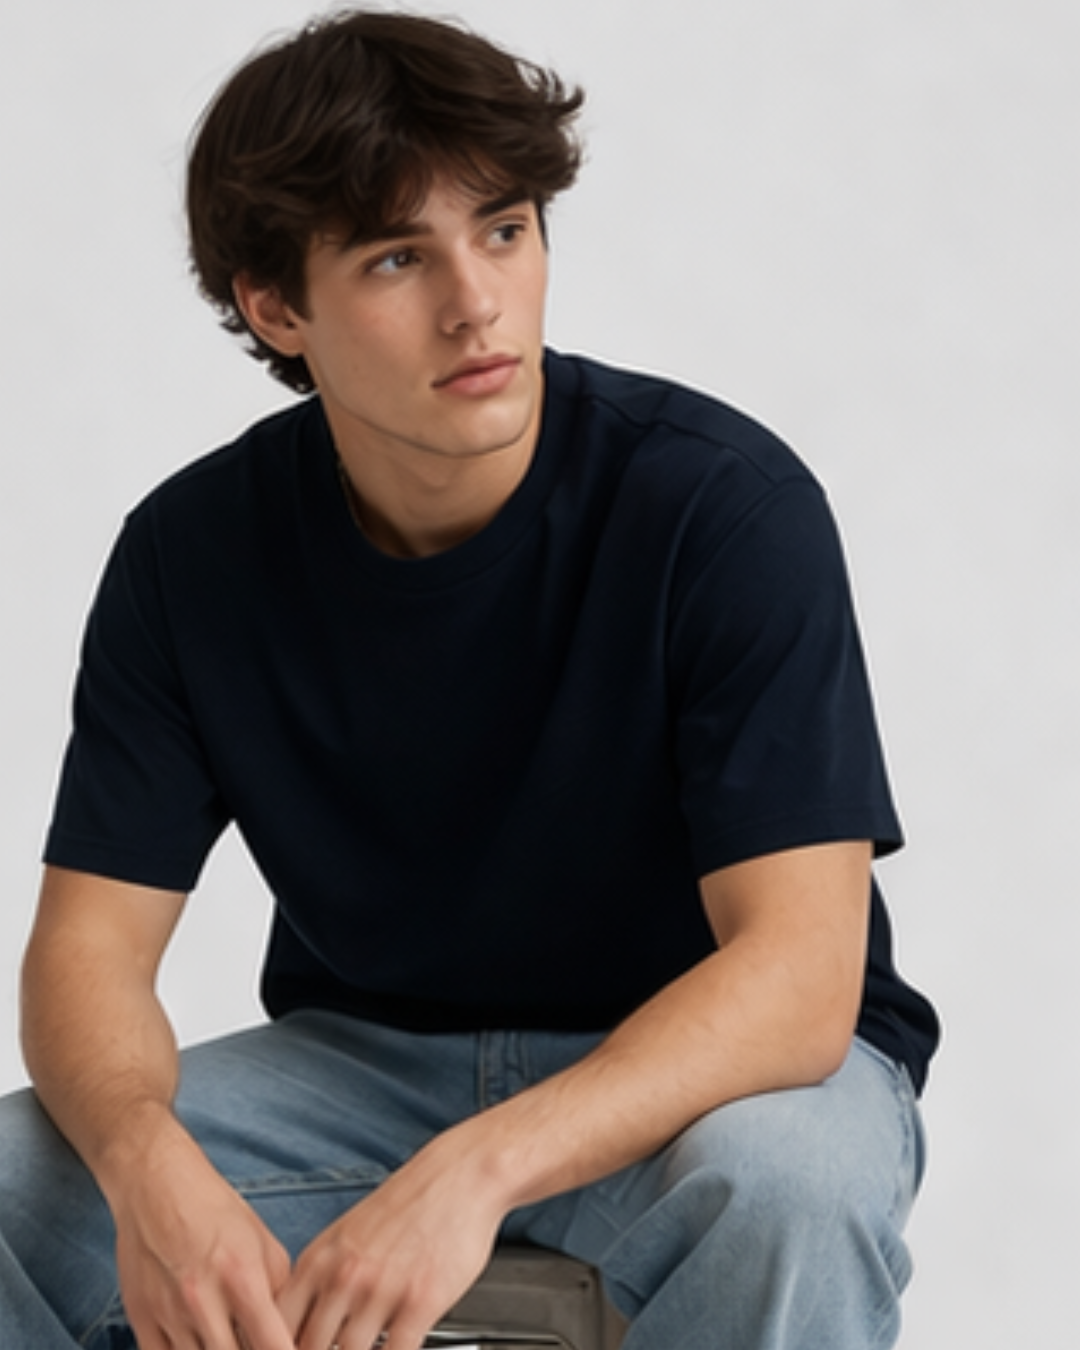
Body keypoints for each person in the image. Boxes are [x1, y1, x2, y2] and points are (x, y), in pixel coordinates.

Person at [0, 10, 939, 1350]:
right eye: (398, 257)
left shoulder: (720, 510)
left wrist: (473, 1168)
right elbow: (88, 950)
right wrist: (151, 1166)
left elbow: (797, 977)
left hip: (705, 1078)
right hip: (364, 1068)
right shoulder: (186, 555)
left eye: (503, 229)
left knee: (790, 1186)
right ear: (277, 306)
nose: (476, 301)